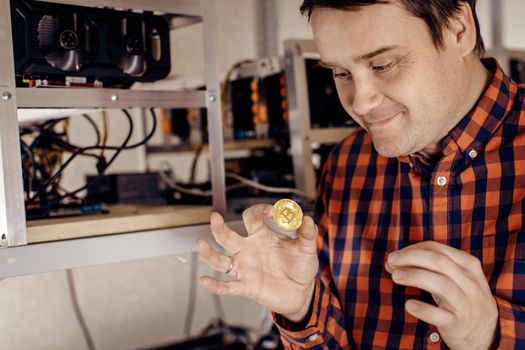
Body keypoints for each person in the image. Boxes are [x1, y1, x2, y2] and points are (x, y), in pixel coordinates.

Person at [197, 0, 525, 348]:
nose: (360, 102)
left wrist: (491, 337)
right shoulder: (346, 167)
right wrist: (303, 308)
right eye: (341, 73)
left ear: (458, 29)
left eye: (383, 64)